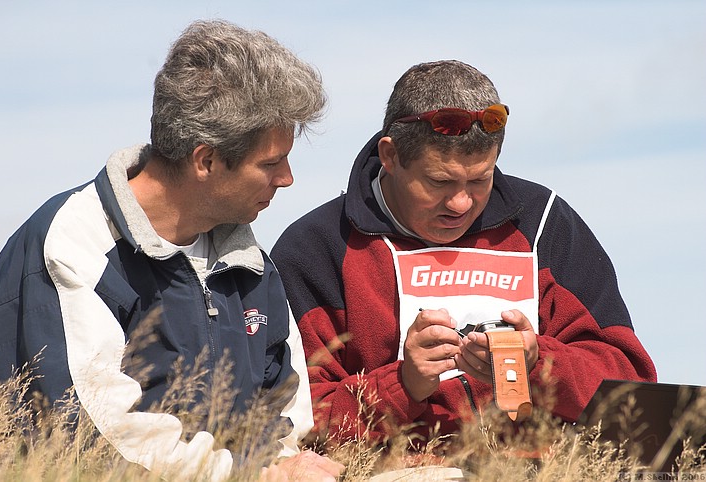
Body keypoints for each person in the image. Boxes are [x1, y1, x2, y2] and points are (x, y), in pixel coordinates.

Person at [0, 20, 343, 481]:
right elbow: (91, 439)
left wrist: (283, 466)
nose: (287, 178)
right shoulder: (75, 245)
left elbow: (287, 409)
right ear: (205, 160)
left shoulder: (248, 263)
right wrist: (260, 475)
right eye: (270, 163)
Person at [270, 60, 657, 445]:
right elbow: (294, 428)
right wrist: (405, 384)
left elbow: (634, 389)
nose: (460, 203)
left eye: (480, 180)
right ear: (390, 156)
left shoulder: (542, 224)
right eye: (439, 181)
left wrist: (538, 364)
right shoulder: (316, 249)